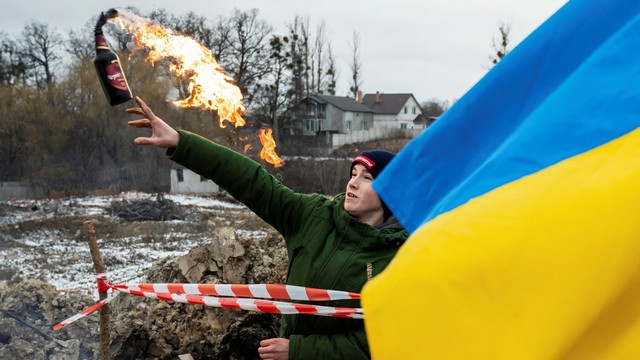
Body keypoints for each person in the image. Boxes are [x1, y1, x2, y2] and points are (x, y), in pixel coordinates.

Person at [126, 96, 408, 360]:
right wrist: (181, 142)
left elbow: (375, 342)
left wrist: (298, 351)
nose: (352, 183)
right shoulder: (314, 216)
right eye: (353, 174)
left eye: (367, 177)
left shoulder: (400, 259)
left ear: (389, 192)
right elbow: (252, 180)